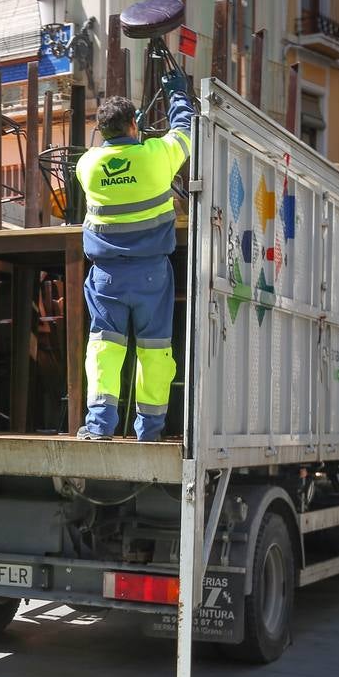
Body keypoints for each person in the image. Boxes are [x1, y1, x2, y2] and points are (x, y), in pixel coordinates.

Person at [73, 75, 193, 441]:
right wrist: (177, 96)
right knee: (154, 352)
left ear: (102, 130)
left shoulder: (87, 166)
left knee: (105, 350)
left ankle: (98, 426)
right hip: (151, 275)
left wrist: (127, 129)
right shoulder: (157, 156)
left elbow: (115, 156)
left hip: (106, 275)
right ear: (133, 125)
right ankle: (150, 431)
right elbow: (185, 131)